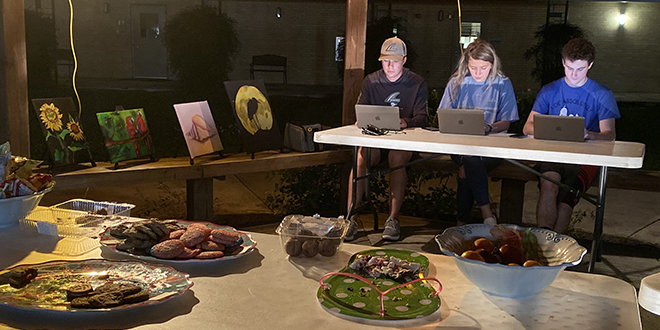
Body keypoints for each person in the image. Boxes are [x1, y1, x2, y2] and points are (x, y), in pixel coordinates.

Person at [523, 38, 620, 233]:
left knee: (566, 200)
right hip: (554, 153)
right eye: (569, 68)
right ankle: (544, 242)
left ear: (590, 65)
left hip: (585, 157)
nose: (574, 74)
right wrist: (546, 130)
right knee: (549, 186)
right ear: (563, 62)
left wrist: (589, 135)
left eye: (580, 69)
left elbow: (609, 135)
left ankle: (554, 251)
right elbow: (527, 128)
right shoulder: (550, 90)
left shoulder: (602, 94)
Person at [345, 37, 428, 241]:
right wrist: (361, 120)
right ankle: (350, 217)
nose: (390, 66)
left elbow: (422, 117)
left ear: (404, 60)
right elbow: (361, 109)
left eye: (395, 61)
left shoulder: (417, 83)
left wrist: (405, 122)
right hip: (376, 138)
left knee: (397, 158)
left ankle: (393, 218)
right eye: (386, 61)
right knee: (361, 157)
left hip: (402, 139)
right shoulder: (371, 81)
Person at [438, 39, 519, 226]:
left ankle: (461, 224)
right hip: (460, 146)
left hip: (492, 147)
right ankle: (487, 214)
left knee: (467, 168)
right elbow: (444, 116)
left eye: (484, 68)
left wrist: (489, 127)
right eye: (474, 67)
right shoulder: (456, 82)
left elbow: (506, 122)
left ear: (492, 65)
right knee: (470, 158)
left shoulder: (502, 84)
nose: (478, 73)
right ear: (467, 63)